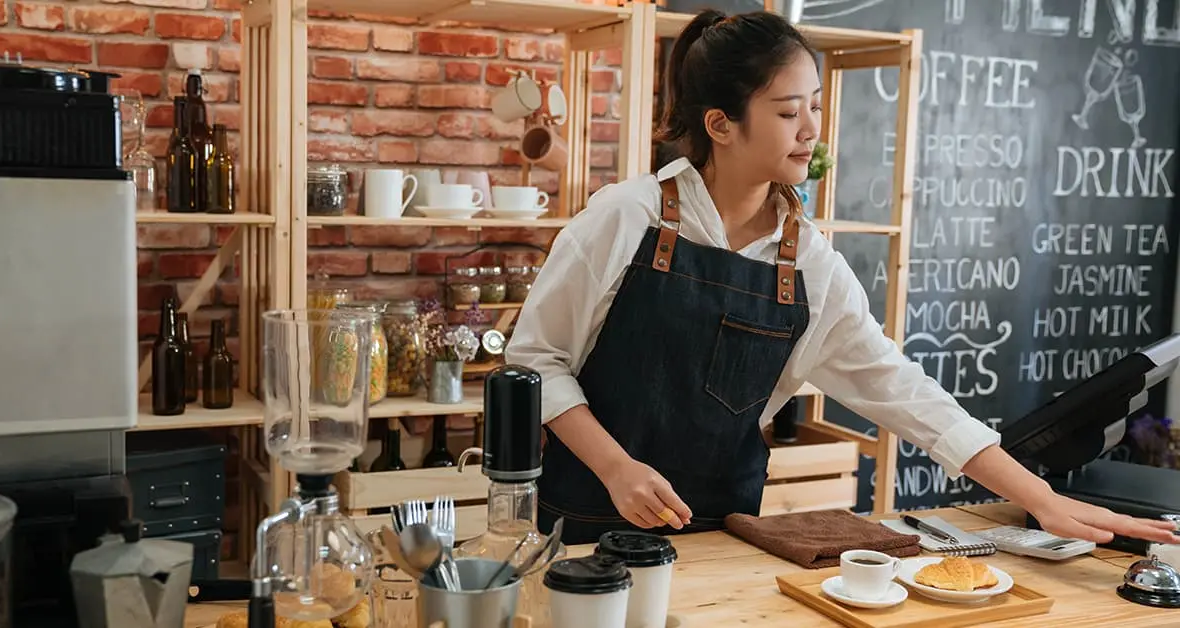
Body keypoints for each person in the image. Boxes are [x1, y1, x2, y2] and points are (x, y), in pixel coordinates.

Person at [504, 9, 1179, 547]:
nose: (811, 131)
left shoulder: (809, 263)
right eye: (787, 111)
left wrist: (1040, 498)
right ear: (720, 125)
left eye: (816, 107)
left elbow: (900, 389)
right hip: (582, 534)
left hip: (717, 538)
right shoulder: (627, 218)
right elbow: (537, 360)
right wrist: (616, 468)